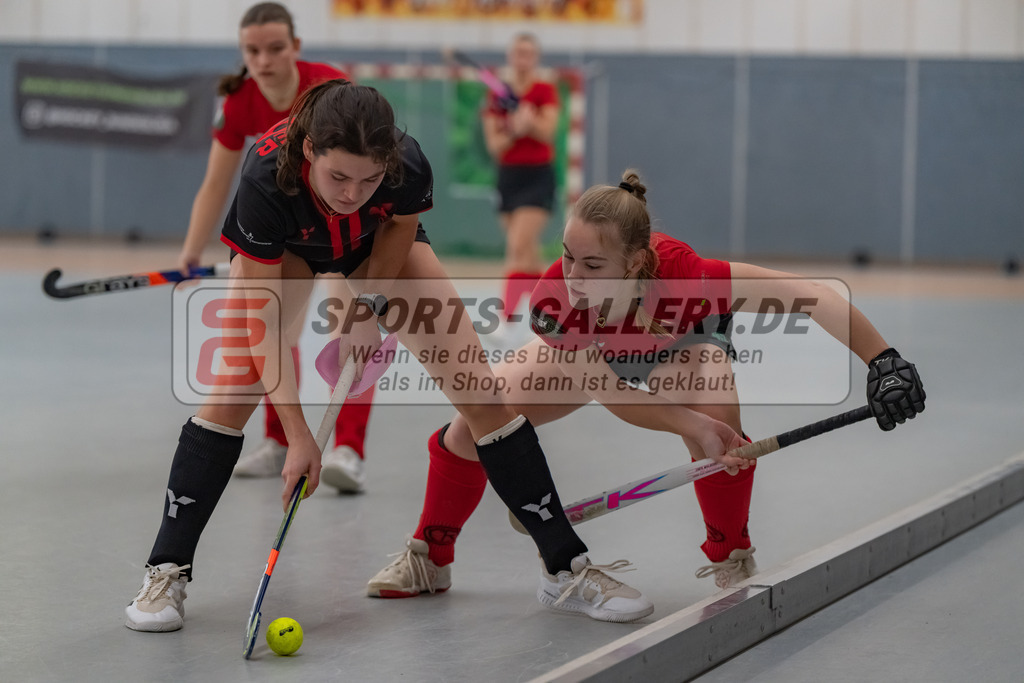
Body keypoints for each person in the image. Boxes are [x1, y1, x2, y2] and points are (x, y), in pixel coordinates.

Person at [126, 81, 736, 632]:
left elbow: (394, 229)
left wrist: (368, 310)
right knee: (232, 390)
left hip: (377, 250)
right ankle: (166, 571)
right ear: (310, 151)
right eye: (339, 178)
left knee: (481, 392)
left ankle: (564, 568)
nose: (352, 193)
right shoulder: (266, 176)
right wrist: (300, 438)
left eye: (368, 181)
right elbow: (264, 327)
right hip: (286, 251)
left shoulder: (405, 163)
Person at [367, 169, 926, 619]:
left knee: (716, 404)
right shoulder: (556, 300)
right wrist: (688, 427)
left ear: (635, 262)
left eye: (591, 264)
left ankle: (730, 553)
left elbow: (805, 295)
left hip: (679, 345)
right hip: (598, 360)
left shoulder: (686, 274)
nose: (572, 274)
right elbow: (604, 389)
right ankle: (430, 555)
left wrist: (882, 359)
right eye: (565, 255)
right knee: (479, 419)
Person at [178, 1, 370, 492]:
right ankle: (281, 439)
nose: (264, 60)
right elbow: (216, 184)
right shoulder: (242, 100)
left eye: (275, 48)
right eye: (253, 50)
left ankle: (348, 447)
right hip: (288, 233)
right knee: (275, 329)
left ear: (296, 48)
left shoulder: (331, 88)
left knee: (352, 323)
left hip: (347, 224)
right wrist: (191, 251)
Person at [481, 33, 559, 332]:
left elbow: (549, 131)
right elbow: (494, 144)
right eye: (518, 52)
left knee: (516, 246)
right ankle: (554, 310)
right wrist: (514, 129)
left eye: (528, 53)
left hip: (538, 175)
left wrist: (531, 123)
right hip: (508, 177)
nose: (522, 58)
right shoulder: (497, 95)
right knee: (526, 255)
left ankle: (505, 320)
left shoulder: (544, 90)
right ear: (511, 57)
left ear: (535, 57)